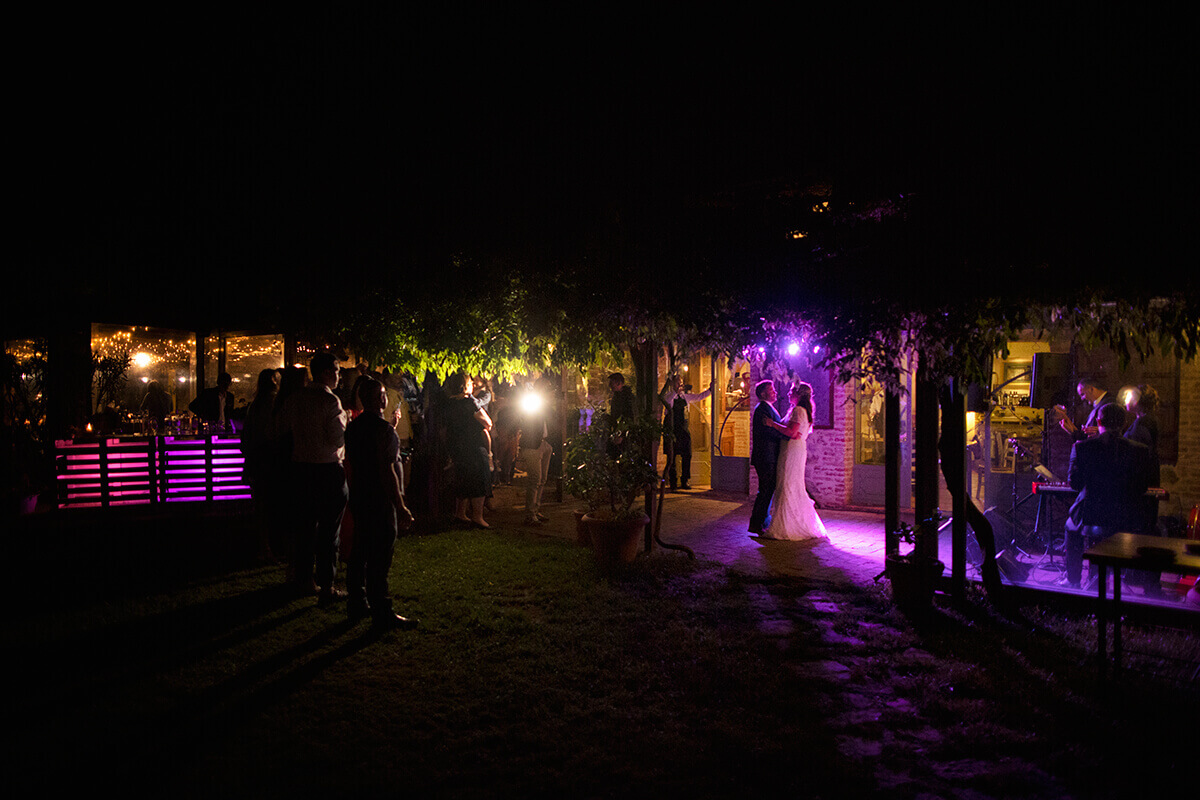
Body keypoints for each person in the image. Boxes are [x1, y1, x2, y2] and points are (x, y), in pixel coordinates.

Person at [344, 376, 418, 630]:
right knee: (380, 557)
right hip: (379, 498)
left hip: (360, 495)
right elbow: (387, 471)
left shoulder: (354, 427)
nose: (386, 397)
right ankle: (382, 610)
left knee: (360, 551)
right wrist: (400, 505)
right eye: (383, 393)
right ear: (380, 399)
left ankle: (357, 601)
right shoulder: (383, 431)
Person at [1061, 402, 1153, 589]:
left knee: (1071, 525)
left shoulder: (1082, 448)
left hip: (1092, 515)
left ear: (1098, 421)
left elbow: (1075, 484)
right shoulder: (1141, 451)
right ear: (1124, 422)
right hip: (1126, 517)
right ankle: (1101, 579)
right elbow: (1143, 487)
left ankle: (1073, 580)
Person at [283, 352, 348, 603]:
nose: (338, 374)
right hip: (327, 469)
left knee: (304, 528)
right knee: (329, 531)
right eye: (336, 369)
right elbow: (337, 438)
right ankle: (327, 584)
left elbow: (285, 428)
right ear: (325, 373)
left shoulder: (296, 398)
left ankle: (304, 579)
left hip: (301, 469)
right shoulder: (329, 401)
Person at [762, 382, 828, 540]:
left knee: (787, 484)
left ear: (798, 394)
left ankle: (786, 526)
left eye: (792, 391)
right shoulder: (799, 410)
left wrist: (772, 424)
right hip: (795, 448)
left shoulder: (799, 410)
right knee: (791, 484)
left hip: (792, 449)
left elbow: (792, 432)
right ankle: (791, 522)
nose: (789, 393)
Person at [444, 372, 492, 528]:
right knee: (479, 479)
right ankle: (477, 516)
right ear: (465, 386)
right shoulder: (469, 403)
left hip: (457, 447)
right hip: (473, 445)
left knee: (462, 478)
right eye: (470, 383)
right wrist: (475, 403)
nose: (473, 385)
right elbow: (488, 423)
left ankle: (460, 513)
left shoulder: (448, 404)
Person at [242, 368, 281, 562]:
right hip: (270, 457)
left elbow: (246, 436)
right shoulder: (275, 402)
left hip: (256, 458)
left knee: (261, 505)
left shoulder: (255, 405)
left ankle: (263, 546)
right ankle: (273, 547)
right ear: (274, 381)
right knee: (274, 503)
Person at [748, 379, 791, 535]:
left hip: (769, 456)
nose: (775, 392)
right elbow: (767, 431)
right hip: (765, 456)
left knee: (767, 489)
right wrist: (786, 437)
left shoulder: (768, 408)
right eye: (771, 390)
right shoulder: (762, 409)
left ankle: (762, 521)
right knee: (765, 490)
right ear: (763, 393)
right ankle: (757, 523)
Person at [659, 374, 713, 491]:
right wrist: (675, 391)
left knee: (687, 455)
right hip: (672, 431)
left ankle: (685, 480)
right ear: (673, 384)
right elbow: (668, 401)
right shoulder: (669, 397)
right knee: (672, 458)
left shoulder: (685, 397)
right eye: (677, 382)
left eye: (681, 382)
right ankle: (673, 483)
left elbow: (698, 397)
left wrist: (710, 390)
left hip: (684, 431)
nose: (680, 385)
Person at [518, 381, 553, 525]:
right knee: (534, 480)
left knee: (542, 479)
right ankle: (530, 514)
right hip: (533, 446)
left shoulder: (543, 404)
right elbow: (527, 424)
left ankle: (535, 510)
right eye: (546, 388)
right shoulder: (531, 402)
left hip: (543, 443)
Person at [1058, 376, 1108, 442]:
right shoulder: (1098, 405)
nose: (1082, 398)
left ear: (1091, 389)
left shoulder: (1108, 404)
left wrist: (1100, 430)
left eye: (1082, 394)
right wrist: (1072, 430)